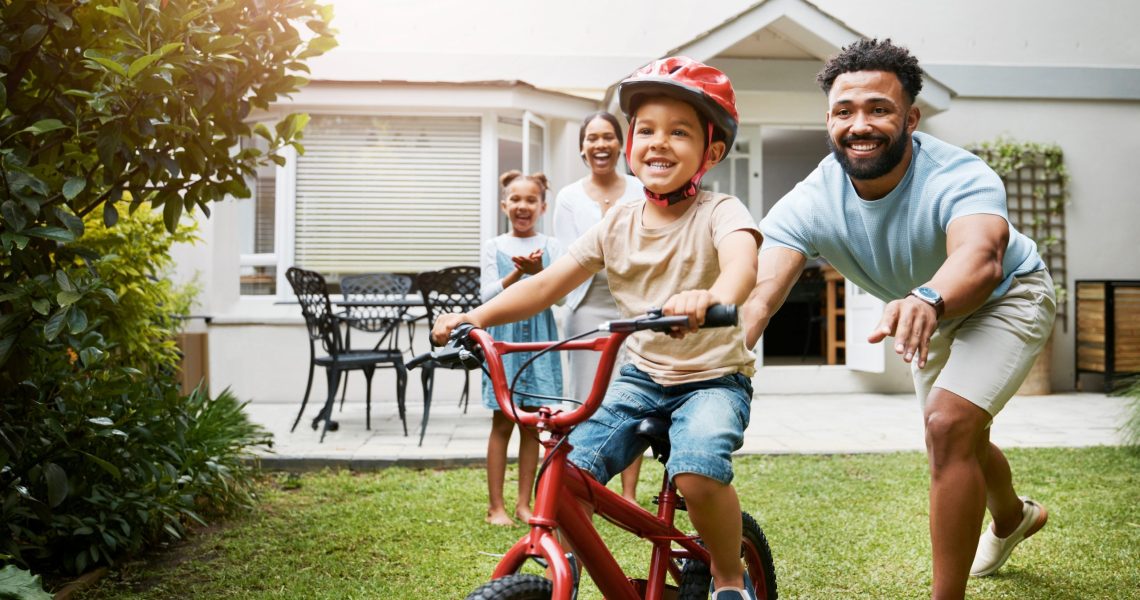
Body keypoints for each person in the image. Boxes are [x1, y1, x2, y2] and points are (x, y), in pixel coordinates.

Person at [434, 56, 762, 599]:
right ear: (631, 144)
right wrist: (478, 316)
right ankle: (570, 574)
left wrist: (713, 297)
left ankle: (729, 576)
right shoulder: (617, 223)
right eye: (647, 130)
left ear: (712, 152)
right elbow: (546, 285)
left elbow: (742, 266)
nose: (659, 142)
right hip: (643, 376)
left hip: (713, 377)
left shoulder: (719, 211)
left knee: (698, 470)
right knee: (565, 471)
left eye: (679, 132)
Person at [741, 39, 1056, 599]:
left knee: (948, 425)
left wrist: (928, 298)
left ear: (910, 117)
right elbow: (763, 290)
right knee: (960, 434)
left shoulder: (958, 175)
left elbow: (980, 257)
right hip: (928, 314)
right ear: (829, 120)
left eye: (878, 110)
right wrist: (729, 346)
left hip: (1007, 297)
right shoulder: (813, 198)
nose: (860, 125)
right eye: (844, 112)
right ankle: (1012, 518)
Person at [552, 111, 645, 503]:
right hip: (586, 305)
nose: (600, 145)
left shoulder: (641, 189)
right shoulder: (569, 197)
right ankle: (584, 482)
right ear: (582, 147)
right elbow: (567, 257)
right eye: (592, 138)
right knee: (585, 398)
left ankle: (627, 493)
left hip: (634, 306)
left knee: (634, 392)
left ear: (620, 144)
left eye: (608, 137)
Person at [478, 170, 565, 526]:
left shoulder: (553, 246)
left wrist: (541, 270)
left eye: (531, 200)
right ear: (504, 205)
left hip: (539, 343)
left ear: (542, 206)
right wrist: (518, 274)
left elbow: (561, 298)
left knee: (534, 426)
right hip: (505, 342)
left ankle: (523, 504)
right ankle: (495, 506)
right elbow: (484, 297)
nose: (522, 206)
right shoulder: (494, 246)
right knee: (503, 422)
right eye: (515, 199)